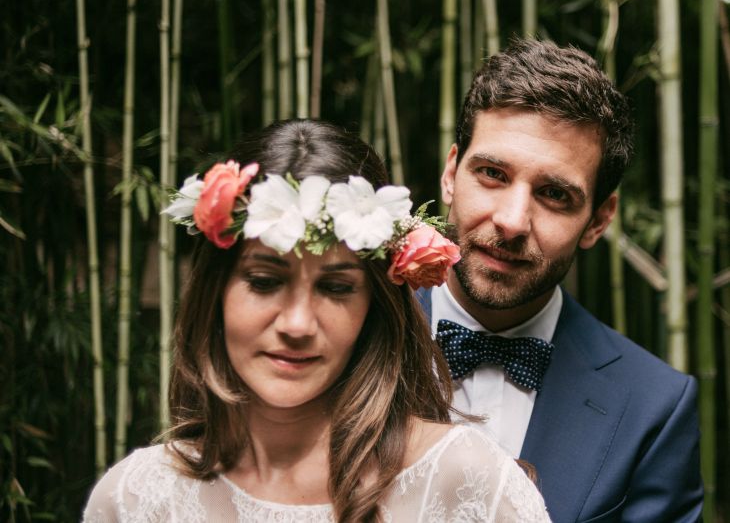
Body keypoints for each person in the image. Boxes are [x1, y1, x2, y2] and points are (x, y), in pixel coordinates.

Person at [83, 119, 550, 522]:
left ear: (374, 304)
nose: (298, 323)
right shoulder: (135, 499)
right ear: (216, 292)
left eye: (335, 288)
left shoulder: (466, 484)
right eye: (265, 281)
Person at [417, 39, 703, 522]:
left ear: (598, 219)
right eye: (491, 173)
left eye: (554, 194)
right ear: (451, 173)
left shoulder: (655, 409)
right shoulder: (342, 334)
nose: (511, 221)